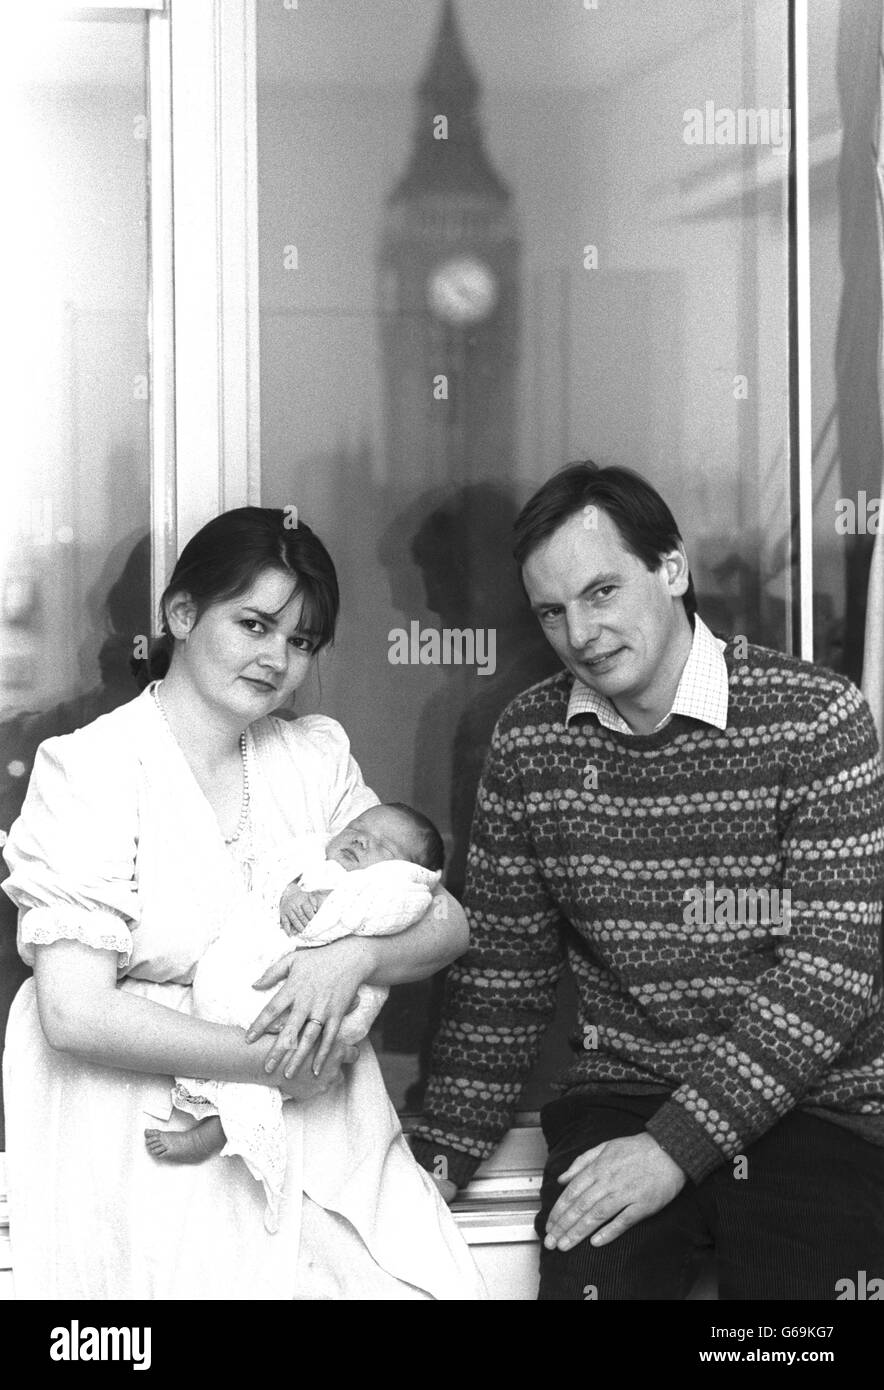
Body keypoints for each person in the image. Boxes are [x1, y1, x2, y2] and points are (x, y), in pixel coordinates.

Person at [410, 461, 884, 1301]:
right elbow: (502, 983)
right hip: (624, 1095)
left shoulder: (815, 716)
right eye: (552, 612)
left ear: (672, 570)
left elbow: (828, 974)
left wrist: (677, 1147)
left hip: (815, 1104)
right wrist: (429, 1166)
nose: (580, 633)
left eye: (601, 592)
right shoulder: (530, 743)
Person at [1, 506, 486, 1300]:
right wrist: (279, 1065)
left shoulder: (312, 756)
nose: (277, 659)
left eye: (300, 642)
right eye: (254, 624)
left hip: (322, 1120)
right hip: (149, 1116)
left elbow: (444, 921)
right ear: (181, 614)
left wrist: (352, 956)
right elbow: (75, 1014)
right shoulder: (90, 767)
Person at [143, 803, 446, 1232]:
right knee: (236, 1047)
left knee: (273, 1067)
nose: (362, 839)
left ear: (411, 869)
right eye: (358, 828)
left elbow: (390, 917)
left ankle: (213, 1132)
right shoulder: (313, 856)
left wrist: (327, 912)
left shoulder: (397, 891)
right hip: (244, 982)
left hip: (319, 1010)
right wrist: (288, 892)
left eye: (384, 845)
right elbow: (272, 871)